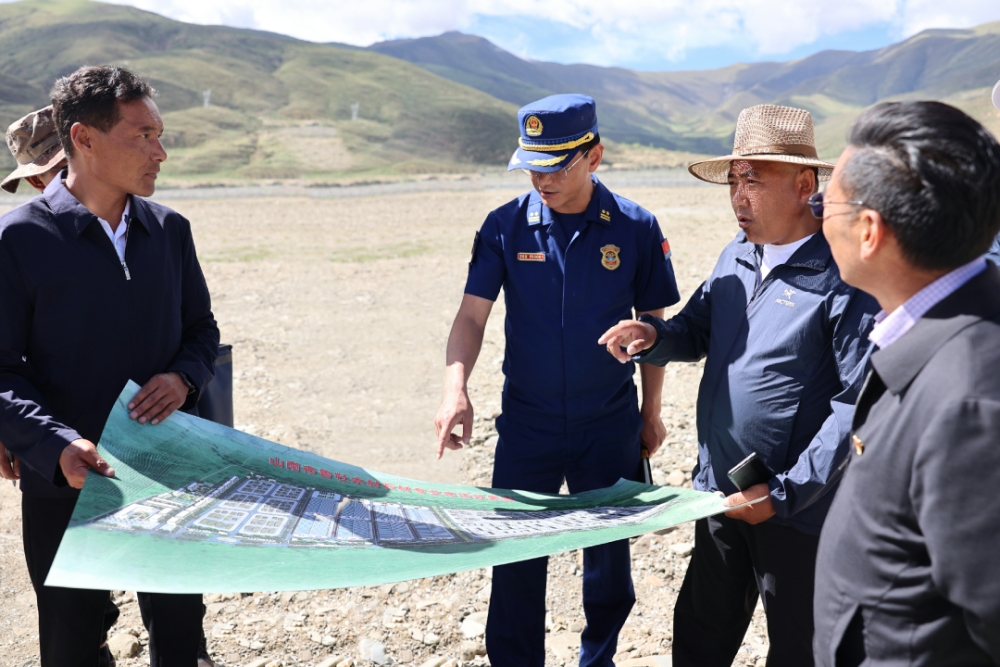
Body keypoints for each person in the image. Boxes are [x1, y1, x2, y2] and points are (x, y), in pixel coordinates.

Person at [599, 104, 879, 667]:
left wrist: (783, 493)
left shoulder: (842, 274)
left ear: (805, 184)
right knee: (700, 636)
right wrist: (651, 334)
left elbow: (858, 406)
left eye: (754, 178)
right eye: (733, 179)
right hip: (721, 489)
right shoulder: (738, 253)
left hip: (799, 511)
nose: (738, 195)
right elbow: (697, 328)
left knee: (804, 649)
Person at [434, 94, 680, 667]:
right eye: (531, 165)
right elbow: (472, 316)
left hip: (608, 425)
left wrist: (651, 413)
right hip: (528, 425)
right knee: (517, 560)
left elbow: (656, 327)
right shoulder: (504, 226)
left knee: (608, 564)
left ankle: (599, 659)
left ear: (594, 157)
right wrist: (456, 389)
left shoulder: (637, 228)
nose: (539, 178)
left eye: (554, 165)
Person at [0, 66, 219, 666]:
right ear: (84, 138)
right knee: (72, 645)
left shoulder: (170, 230)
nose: (161, 152)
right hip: (68, 482)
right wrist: (53, 444)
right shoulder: (17, 240)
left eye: (160, 134)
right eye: (142, 136)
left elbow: (202, 330)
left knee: (180, 635)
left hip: (171, 471)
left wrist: (183, 377)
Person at [812, 101, 1000, 666]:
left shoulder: (970, 400)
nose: (819, 212)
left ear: (869, 230)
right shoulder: (939, 332)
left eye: (828, 200)